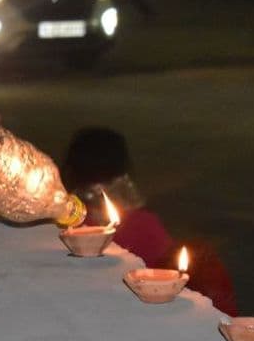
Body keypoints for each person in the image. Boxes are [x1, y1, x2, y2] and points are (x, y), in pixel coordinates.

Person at [61, 127, 238, 316]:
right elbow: (169, 269)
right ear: (123, 169)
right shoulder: (143, 224)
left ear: (70, 170)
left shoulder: (60, 222)